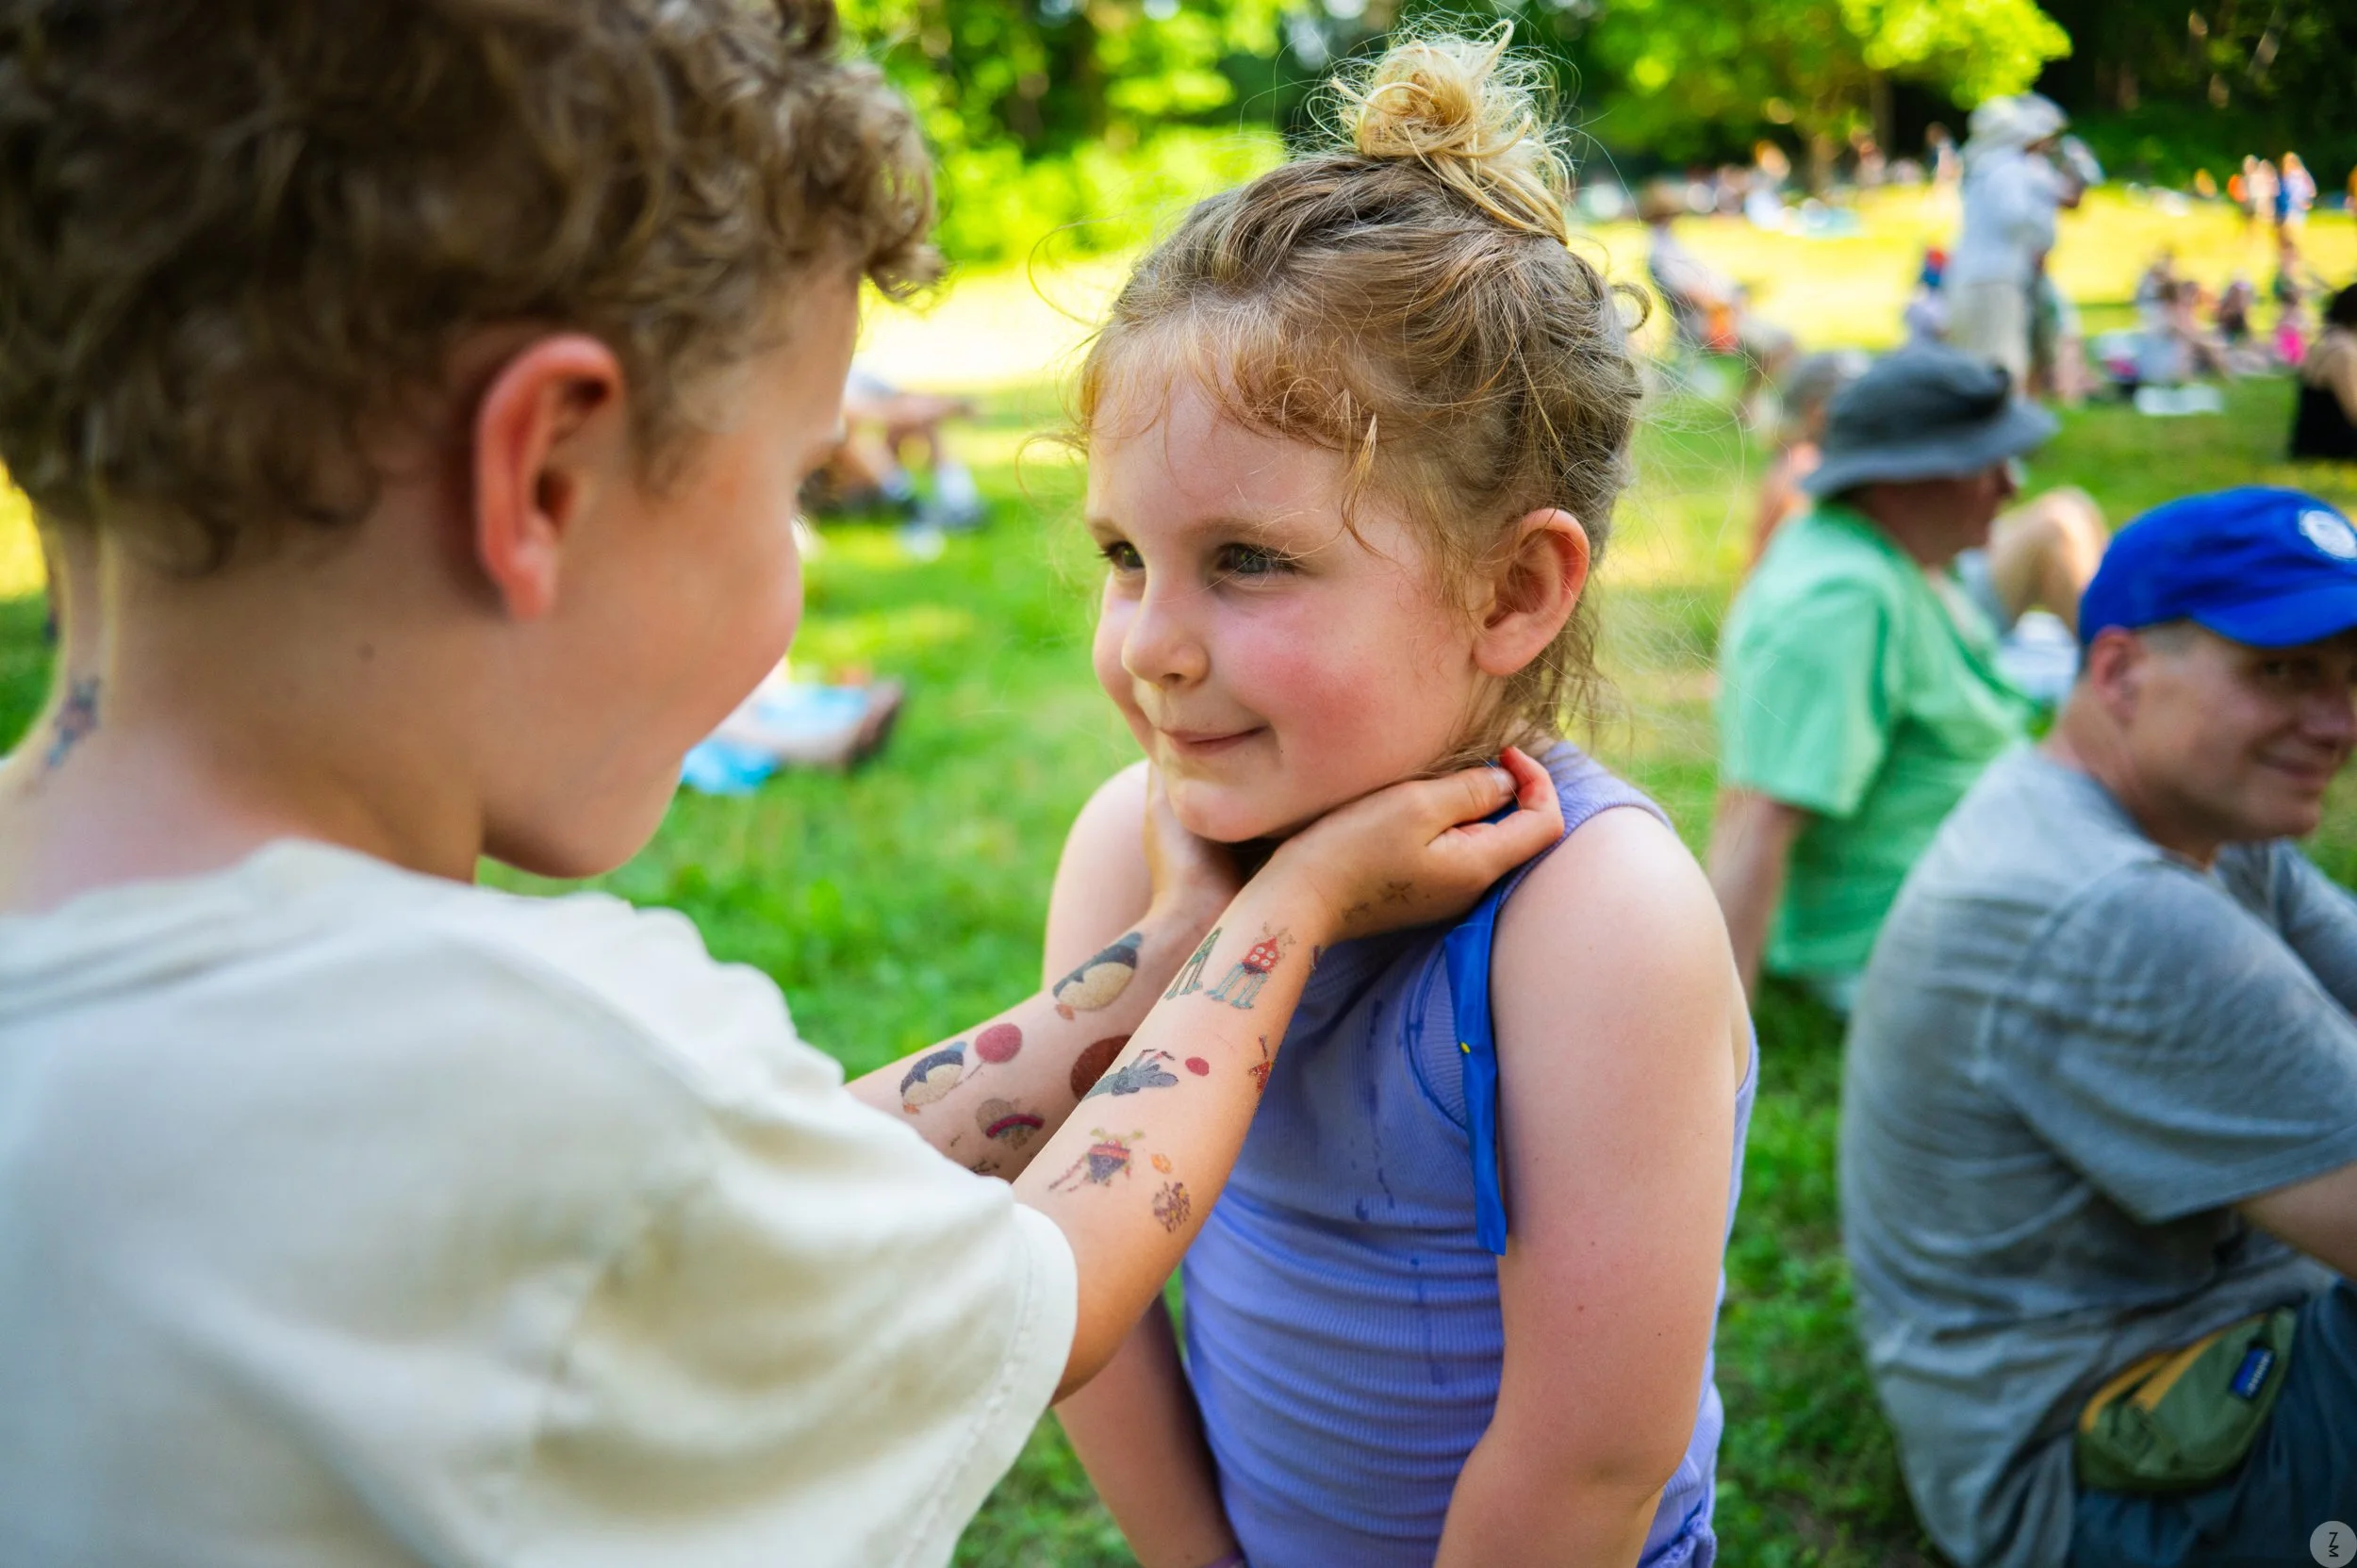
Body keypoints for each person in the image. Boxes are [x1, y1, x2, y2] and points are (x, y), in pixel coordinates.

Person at [0, 6, 1571, 1566]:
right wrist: (1284, 911)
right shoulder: (548, 1064)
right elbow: (1039, 1278)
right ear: (542, 474)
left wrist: (1165, 945)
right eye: (791, 484)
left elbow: (799, 1172)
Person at [1044, 33, 1755, 1568]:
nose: (1152, 642)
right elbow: (1070, 1298)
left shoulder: (1592, 919)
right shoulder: (1133, 848)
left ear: (1512, 590)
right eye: (1125, 555)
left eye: (1248, 559)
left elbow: (1585, 1466)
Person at [1842, 487, 2357, 1568]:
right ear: (2119, 672)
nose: (2337, 723)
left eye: (2347, 677)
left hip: (2187, 1364)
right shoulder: (2113, 911)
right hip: (2105, 1476)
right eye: (2282, 672)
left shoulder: (2181, 817)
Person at [1710, 345, 2108, 1008]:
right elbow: (1759, 820)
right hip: (1905, 941)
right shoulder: (1842, 603)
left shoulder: (1896, 551)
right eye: (1985, 464)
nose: (2012, 485)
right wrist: (1720, 1039)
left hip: (1977, 890)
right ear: (1900, 482)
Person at [1640, 180, 1797, 420]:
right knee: (1779, 346)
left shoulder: (1670, 246)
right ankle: (1749, 407)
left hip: (1718, 315)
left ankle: (1749, 405)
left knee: (1783, 344)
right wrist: (1730, 299)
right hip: (1706, 324)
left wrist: (1738, 291)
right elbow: (1692, 294)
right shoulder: (1661, 252)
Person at [1947, 95, 2070, 385]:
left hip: (1967, 276)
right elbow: (2015, 216)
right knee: (2001, 360)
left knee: (1973, 359)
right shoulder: (2008, 168)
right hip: (1997, 276)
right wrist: (2045, 231)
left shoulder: (1982, 168)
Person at [2291, 282, 2357, 460]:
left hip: (2314, 441)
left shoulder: (2331, 340)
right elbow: (2354, 411)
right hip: (2328, 445)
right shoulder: (2344, 352)